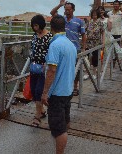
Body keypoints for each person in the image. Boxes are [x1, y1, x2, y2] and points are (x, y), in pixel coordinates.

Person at [41, 15, 77, 154]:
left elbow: (51, 70)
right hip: (68, 90)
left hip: (57, 93)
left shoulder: (55, 45)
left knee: (58, 127)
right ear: (64, 27)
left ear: (51, 28)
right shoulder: (70, 44)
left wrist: (45, 92)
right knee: (65, 120)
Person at [50, 0, 86, 96]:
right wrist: (60, 5)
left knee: (76, 68)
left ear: (73, 10)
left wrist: (83, 48)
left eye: (69, 9)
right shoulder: (61, 19)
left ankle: (75, 87)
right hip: (62, 48)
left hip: (75, 48)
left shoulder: (79, 21)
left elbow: (83, 35)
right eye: (65, 9)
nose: (67, 11)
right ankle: (63, 86)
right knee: (61, 67)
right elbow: (52, 13)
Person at [29, 14, 52, 127]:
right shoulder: (35, 35)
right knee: (33, 90)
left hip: (44, 68)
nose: (35, 28)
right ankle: (42, 110)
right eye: (33, 26)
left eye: (36, 25)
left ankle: (37, 116)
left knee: (39, 91)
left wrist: (46, 63)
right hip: (34, 67)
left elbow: (51, 52)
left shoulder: (49, 36)